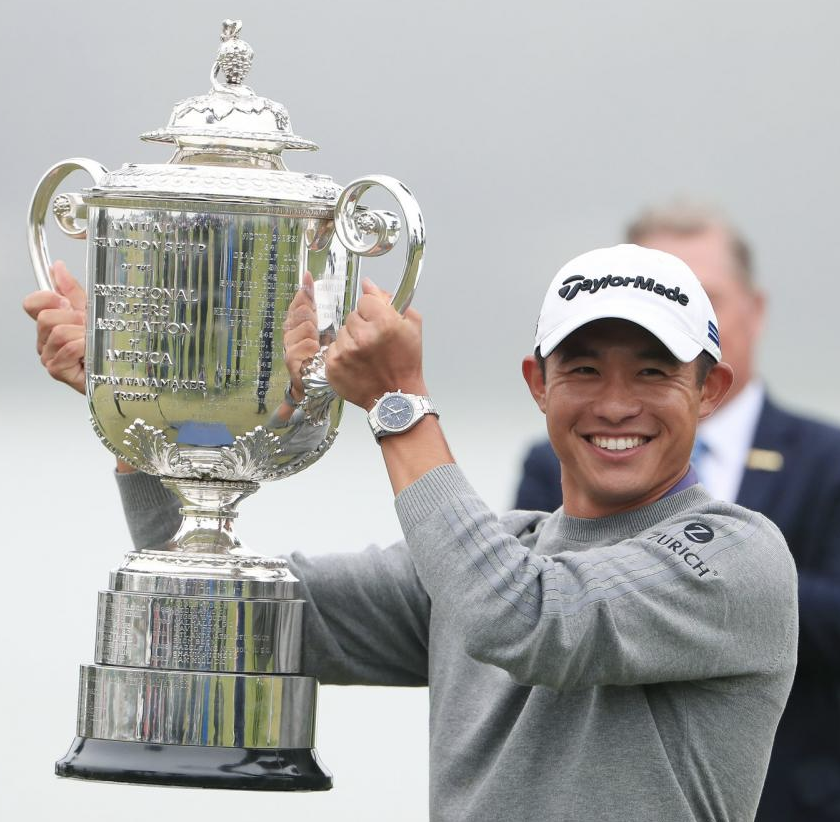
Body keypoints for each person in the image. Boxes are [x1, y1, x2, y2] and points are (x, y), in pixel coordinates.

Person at [25, 245, 797, 822]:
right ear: (538, 384)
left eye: (655, 372)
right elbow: (219, 617)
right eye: (585, 370)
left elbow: (530, 621)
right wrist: (138, 415)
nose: (617, 403)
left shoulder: (740, 556)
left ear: (711, 390)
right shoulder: (487, 559)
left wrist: (399, 402)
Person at [515, 204, 840, 822]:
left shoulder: (830, 460)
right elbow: (522, 607)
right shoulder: (553, 458)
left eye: (705, 297)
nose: (686, 316)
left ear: (755, 309)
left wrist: (725, 582)